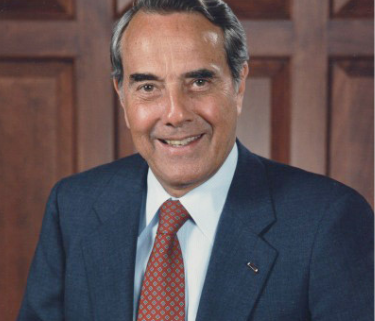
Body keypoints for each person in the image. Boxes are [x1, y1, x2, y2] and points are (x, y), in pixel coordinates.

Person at [18, 0, 373, 320]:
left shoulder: (328, 223)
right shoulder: (73, 208)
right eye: (147, 87)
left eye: (199, 81)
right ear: (122, 96)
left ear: (238, 85)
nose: (175, 114)